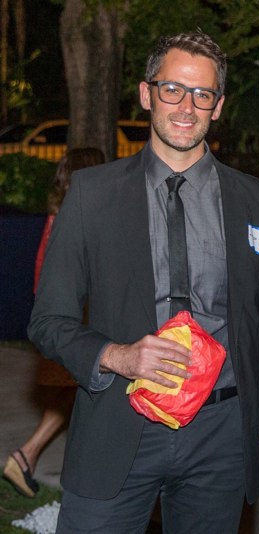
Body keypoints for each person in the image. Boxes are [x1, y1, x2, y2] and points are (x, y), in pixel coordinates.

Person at [28, 31, 259, 533]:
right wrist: (118, 356)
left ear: (218, 106)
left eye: (202, 94)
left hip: (220, 436)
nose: (187, 106)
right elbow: (47, 322)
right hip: (119, 422)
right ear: (147, 95)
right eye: (173, 89)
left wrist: (253, 417)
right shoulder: (92, 195)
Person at [3, 148, 105, 498]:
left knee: (78, 396)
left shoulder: (58, 216)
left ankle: (27, 457)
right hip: (77, 327)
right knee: (87, 395)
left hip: (64, 325)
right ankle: (28, 456)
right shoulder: (81, 221)